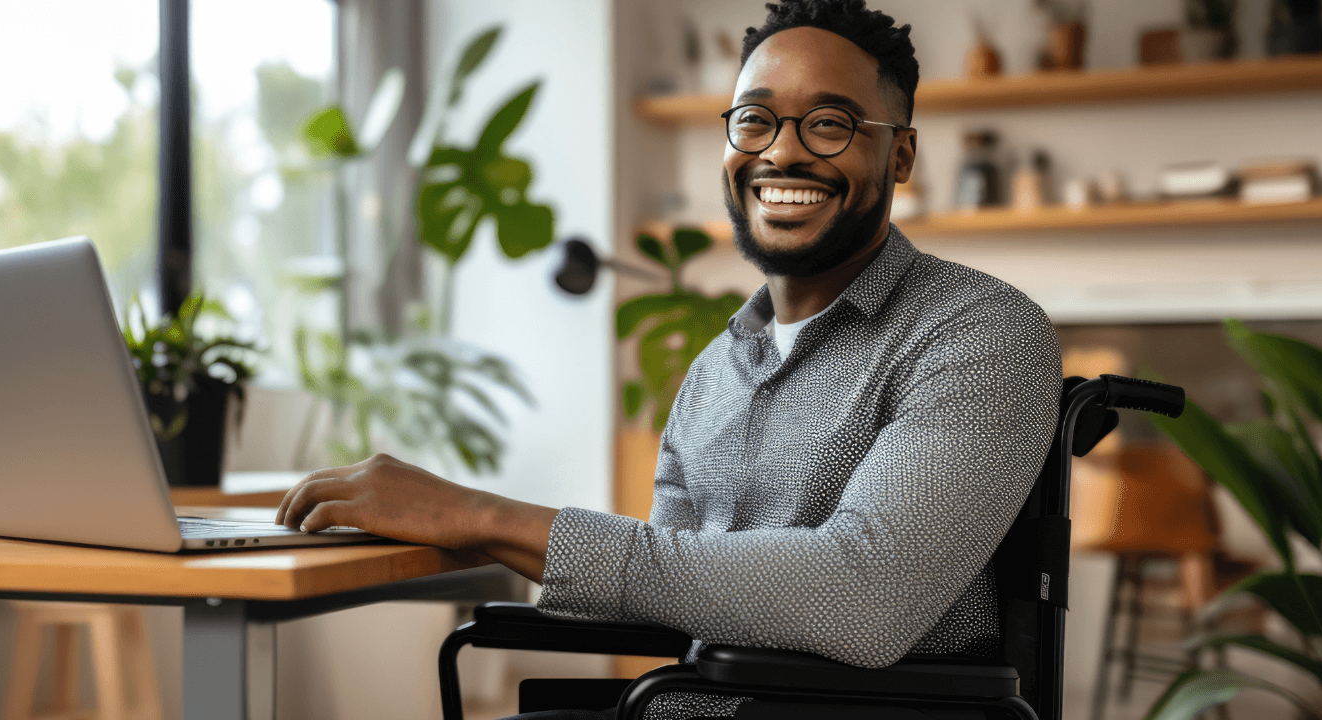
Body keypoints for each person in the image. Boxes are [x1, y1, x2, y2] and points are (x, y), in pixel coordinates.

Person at [276, 1, 1060, 717]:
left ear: (901, 156)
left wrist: (486, 516)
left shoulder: (980, 333)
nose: (781, 153)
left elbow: (863, 596)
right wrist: (467, 531)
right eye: (754, 120)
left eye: (830, 124)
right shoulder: (716, 370)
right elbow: (671, 585)